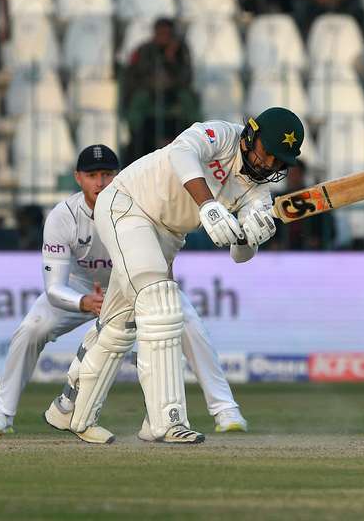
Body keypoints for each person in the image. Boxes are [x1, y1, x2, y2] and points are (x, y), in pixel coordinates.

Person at [45, 107, 304, 444]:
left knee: (120, 324)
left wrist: (251, 236)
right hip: (128, 205)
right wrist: (208, 205)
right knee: (161, 303)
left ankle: (70, 410)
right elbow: (181, 151)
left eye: (278, 161)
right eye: (266, 153)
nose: (268, 165)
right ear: (250, 136)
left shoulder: (257, 195)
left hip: (165, 237)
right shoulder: (221, 135)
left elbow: (240, 256)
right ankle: (165, 421)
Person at [0, 145, 248, 440]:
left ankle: (225, 410)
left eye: (108, 174)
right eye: (92, 175)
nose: (100, 182)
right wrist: (84, 302)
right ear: (78, 177)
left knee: (187, 322)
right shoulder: (64, 216)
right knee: (32, 328)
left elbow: (163, 262)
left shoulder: (141, 205)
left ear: (120, 175)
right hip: (81, 286)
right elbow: (54, 288)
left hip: (134, 283)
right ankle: (2, 413)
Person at [122, 17, 201, 162]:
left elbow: (186, 77)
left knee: (188, 99)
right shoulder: (144, 49)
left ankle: (196, 138)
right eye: (160, 33)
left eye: (167, 34)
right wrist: (155, 83)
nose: (163, 37)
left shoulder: (181, 50)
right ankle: (135, 135)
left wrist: (170, 59)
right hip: (149, 91)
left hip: (175, 91)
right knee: (139, 100)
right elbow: (138, 74)